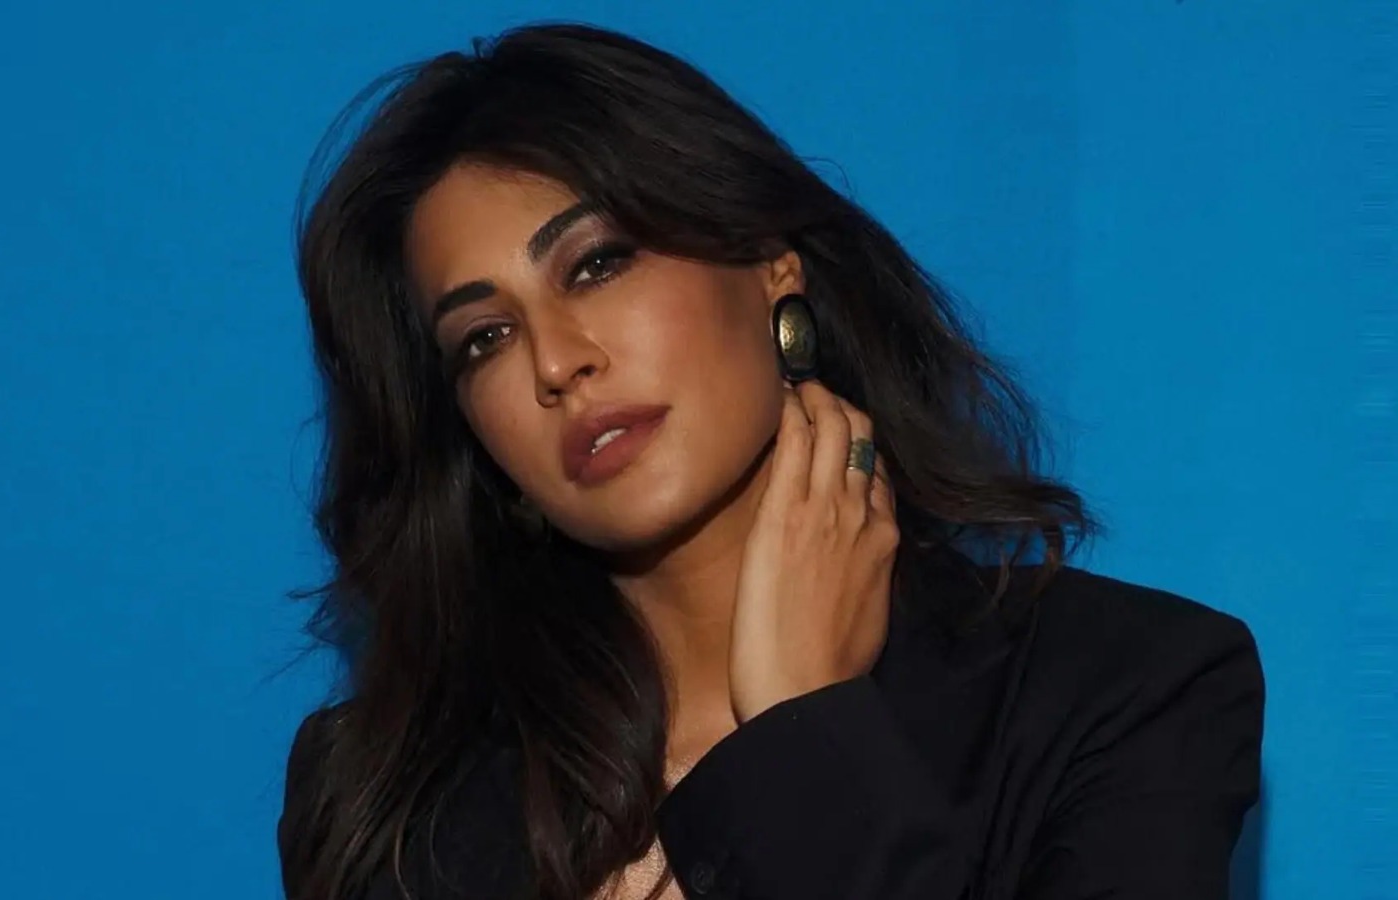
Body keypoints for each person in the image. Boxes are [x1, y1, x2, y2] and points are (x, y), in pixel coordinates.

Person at [276, 21, 1264, 900]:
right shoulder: (379, 801)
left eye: (597, 263)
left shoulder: (1123, 693)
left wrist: (803, 728)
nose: (555, 362)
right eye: (483, 339)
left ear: (766, 265)